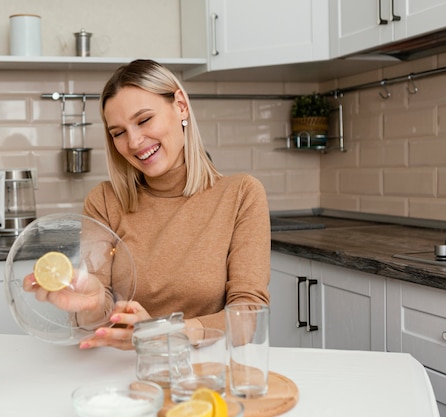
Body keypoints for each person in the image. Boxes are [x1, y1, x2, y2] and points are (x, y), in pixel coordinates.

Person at [24, 59, 270, 350]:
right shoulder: (104, 201)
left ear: (180, 106)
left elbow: (249, 315)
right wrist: (89, 304)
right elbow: (96, 317)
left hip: (205, 370)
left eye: (143, 120)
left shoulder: (241, 195)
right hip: (123, 371)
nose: (135, 141)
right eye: (118, 133)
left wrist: (166, 332)